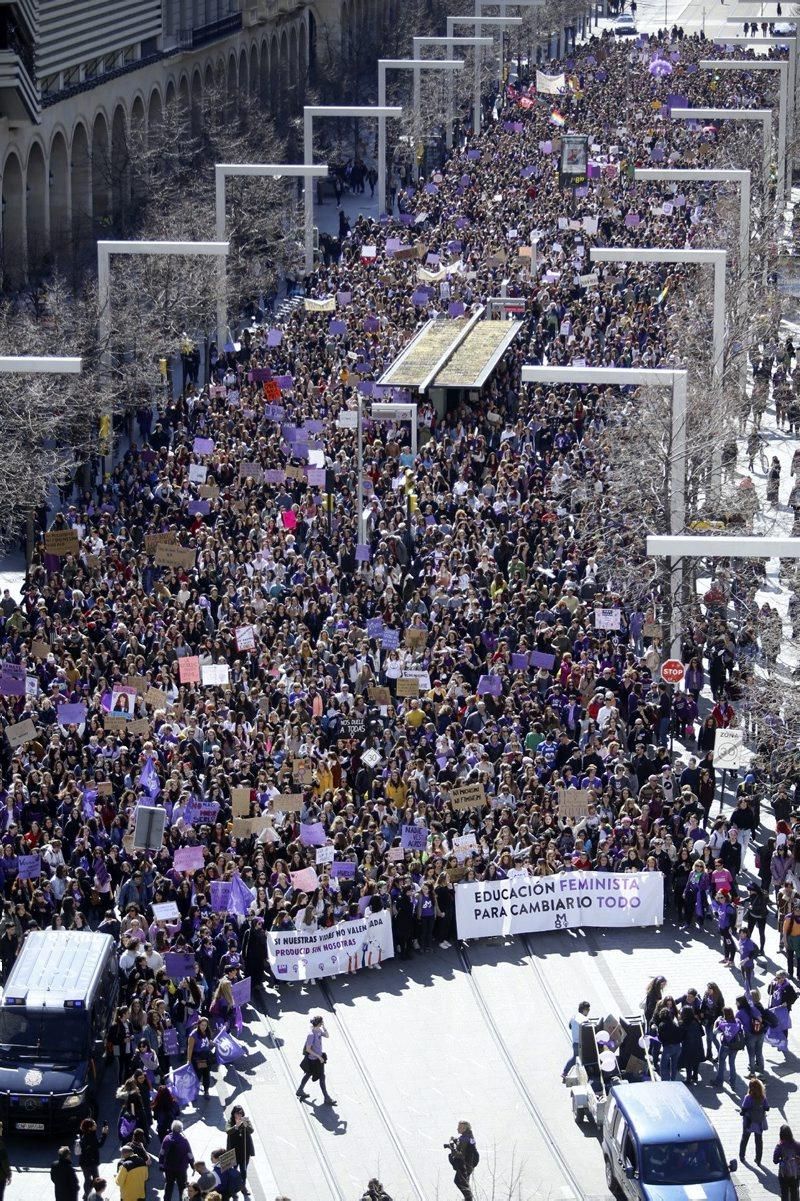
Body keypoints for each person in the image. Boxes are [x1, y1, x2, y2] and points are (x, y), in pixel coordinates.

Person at [296, 1015, 335, 1105]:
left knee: (309, 1074)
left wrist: (324, 1028)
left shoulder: (318, 1030)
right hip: (314, 1060)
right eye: (322, 1023)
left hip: (318, 1058)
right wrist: (319, 1057)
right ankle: (326, 1098)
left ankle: (300, 1090)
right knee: (321, 1076)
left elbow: (327, 1036)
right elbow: (308, 1049)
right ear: (319, 1023)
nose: (322, 1024)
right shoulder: (311, 1034)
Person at [159, 1120, 195, 1201]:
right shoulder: (184, 1141)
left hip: (169, 1168)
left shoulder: (167, 1139)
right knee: (182, 1188)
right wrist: (193, 1165)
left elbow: (162, 1153)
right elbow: (189, 1154)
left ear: (172, 1128)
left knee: (169, 1186)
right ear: (181, 1129)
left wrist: (161, 1164)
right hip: (181, 1169)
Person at [225, 1106, 255, 1197]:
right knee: (232, 1172)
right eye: (237, 1113)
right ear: (233, 1114)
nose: (239, 1115)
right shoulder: (230, 1122)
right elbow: (228, 1131)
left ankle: (243, 1187)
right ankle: (233, 1189)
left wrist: (245, 1124)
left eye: (241, 1113)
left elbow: (251, 1130)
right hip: (233, 1151)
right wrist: (236, 1126)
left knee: (243, 1171)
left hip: (244, 1151)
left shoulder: (245, 1120)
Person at [447, 1121, 479, 1201]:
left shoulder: (465, 1139)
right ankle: (468, 1198)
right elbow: (463, 1146)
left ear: (464, 1128)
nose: (457, 1128)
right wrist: (455, 1141)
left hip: (465, 1165)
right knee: (464, 1183)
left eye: (459, 1127)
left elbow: (461, 1154)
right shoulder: (468, 1136)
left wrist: (452, 1149)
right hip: (469, 1164)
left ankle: (468, 1198)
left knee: (458, 1181)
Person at [740, 1077, 769, 1164]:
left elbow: (743, 1110)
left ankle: (742, 1156)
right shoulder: (762, 1097)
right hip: (758, 1123)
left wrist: (743, 1112)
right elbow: (767, 1108)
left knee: (744, 1139)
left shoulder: (748, 1097)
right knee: (759, 1141)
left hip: (749, 1122)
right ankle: (758, 1159)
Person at [77, 1118, 109, 1198]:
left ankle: (86, 1194)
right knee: (95, 1179)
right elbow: (99, 1144)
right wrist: (104, 1134)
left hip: (84, 1162)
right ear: (89, 1128)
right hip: (91, 1162)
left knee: (87, 1179)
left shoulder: (87, 1133)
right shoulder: (90, 1137)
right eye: (94, 1124)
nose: (96, 1124)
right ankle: (93, 1195)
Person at [713, 1006, 744, 1089]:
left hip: (725, 1046)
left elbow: (714, 1032)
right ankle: (733, 1083)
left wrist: (717, 1021)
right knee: (732, 1064)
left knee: (721, 1064)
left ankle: (719, 1081)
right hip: (735, 1046)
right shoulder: (737, 1022)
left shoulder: (723, 1024)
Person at [561, 1001, 590, 1082]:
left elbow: (570, 1026)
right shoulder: (584, 1019)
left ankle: (565, 1073)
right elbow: (588, 1030)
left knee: (574, 1058)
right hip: (581, 1043)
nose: (588, 1011)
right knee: (587, 1059)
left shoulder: (574, 1017)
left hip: (575, 1042)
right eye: (588, 1010)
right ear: (584, 1010)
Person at [186, 1016, 214, 1097]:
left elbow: (208, 1041)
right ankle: (194, 1092)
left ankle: (206, 1091)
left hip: (207, 1056)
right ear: (198, 1025)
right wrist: (189, 1060)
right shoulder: (193, 1035)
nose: (204, 1027)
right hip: (199, 1058)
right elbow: (190, 1048)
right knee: (198, 1075)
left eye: (205, 1025)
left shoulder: (207, 1031)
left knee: (206, 1075)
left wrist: (211, 1043)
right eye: (202, 1025)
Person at [774, 1124, 800, 1201]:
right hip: (796, 1173)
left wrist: (782, 1160)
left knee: (784, 1193)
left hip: (783, 1174)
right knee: (794, 1192)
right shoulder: (797, 1145)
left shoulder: (780, 1146)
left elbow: (775, 1160)